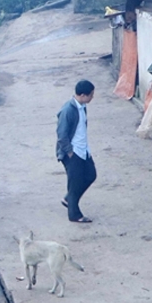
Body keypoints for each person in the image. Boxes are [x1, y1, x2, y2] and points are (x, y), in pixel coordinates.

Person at [56, 79, 97, 223]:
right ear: (84, 95)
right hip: (73, 152)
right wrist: (70, 152)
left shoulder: (82, 107)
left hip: (83, 150)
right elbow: (61, 135)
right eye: (91, 95)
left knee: (91, 175)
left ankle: (69, 199)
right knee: (75, 183)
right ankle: (74, 214)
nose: (93, 97)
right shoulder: (68, 110)